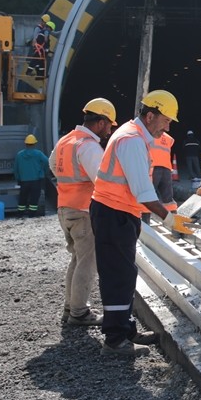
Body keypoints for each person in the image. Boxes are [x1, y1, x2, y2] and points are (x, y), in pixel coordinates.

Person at [90, 89, 193, 356]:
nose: (168, 126)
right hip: (113, 214)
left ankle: (125, 329)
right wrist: (169, 219)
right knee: (118, 275)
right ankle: (114, 340)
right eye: (166, 120)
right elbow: (143, 191)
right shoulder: (132, 140)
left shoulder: (134, 137)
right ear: (150, 116)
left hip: (120, 213)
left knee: (125, 273)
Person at [49, 97, 117, 327]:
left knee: (77, 259)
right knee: (88, 263)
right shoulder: (88, 146)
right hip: (83, 211)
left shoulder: (66, 140)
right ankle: (79, 312)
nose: (110, 129)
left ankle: (71, 307)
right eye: (109, 124)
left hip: (65, 208)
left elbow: (53, 165)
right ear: (100, 122)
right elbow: (102, 179)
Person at [14, 134, 51, 218]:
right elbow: (46, 161)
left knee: (22, 198)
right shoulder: (38, 154)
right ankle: (31, 215)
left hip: (23, 181)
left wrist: (18, 178)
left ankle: (20, 214)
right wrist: (43, 171)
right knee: (34, 198)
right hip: (36, 180)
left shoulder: (19, 155)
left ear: (26, 144)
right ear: (34, 144)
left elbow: (15, 169)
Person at [148, 130, 177, 212]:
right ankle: (173, 218)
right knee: (168, 197)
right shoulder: (168, 138)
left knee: (148, 194)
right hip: (166, 168)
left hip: (153, 167)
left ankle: (145, 221)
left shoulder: (150, 135)